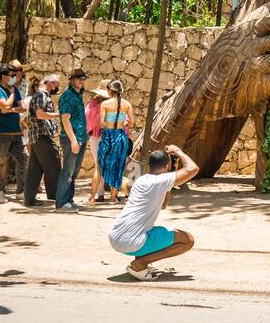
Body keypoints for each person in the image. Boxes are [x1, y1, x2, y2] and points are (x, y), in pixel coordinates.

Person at [108, 144, 198, 280]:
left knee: (152, 230)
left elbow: (164, 205)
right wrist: (178, 151)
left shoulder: (142, 180)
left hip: (115, 237)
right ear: (167, 165)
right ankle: (140, 263)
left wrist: (170, 176)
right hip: (131, 242)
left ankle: (142, 262)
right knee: (188, 240)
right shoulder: (161, 180)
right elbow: (193, 168)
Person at [0, 64, 26, 202]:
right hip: (0, 132)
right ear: (4, 77)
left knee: (23, 158)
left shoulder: (14, 88)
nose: (15, 78)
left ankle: (21, 191)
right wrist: (13, 94)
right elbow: (5, 105)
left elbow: (23, 107)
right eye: (12, 76)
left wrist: (11, 110)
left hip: (15, 131)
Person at [23, 73, 63, 207]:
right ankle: (57, 195)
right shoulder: (41, 95)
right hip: (41, 135)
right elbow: (40, 114)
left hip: (37, 136)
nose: (58, 87)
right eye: (57, 84)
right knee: (54, 162)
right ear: (51, 83)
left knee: (35, 169)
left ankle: (29, 199)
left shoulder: (42, 96)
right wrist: (58, 114)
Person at [96, 80, 135, 204]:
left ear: (109, 90)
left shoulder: (105, 104)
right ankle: (113, 198)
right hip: (121, 136)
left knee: (102, 163)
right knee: (118, 167)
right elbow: (132, 122)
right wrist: (123, 125)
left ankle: (94, 196)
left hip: (109, 136)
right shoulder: (127, 104)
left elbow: (101, 124)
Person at [55, 68, 88, 211]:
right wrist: (74, 140)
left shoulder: (78, 95)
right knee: (68, 171)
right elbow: (65, 120)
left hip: (80, 138)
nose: (82, 81)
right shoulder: (67, 96)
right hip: (71, 139)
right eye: (79, 78)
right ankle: (61, 203)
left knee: (74, 172)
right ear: (71, 80)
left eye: (83, 78)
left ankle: (69, 199)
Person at [84, 82, 107, 205]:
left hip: (95, 137)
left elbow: (86, 118)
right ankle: (111, 194)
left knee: (98, 165)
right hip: (109, 136)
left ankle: (99, 193)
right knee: (107, 165)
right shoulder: (113, 104)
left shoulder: (92, 104)